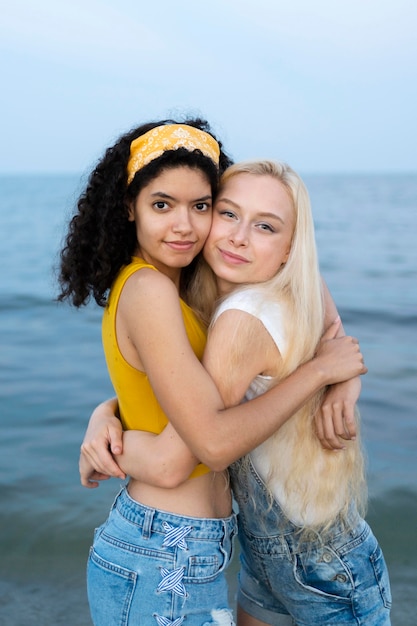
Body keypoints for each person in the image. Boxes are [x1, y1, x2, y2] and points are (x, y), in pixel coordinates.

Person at [58, 119, 367, 626]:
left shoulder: (183, 278)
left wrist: (344, 379)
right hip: (164, 550)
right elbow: (195, 453)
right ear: (127, 207)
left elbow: (314, 295)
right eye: (162, 205)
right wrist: (315, 374)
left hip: (186, 547)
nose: (184, 226)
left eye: (201, 207)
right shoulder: (150, 290)